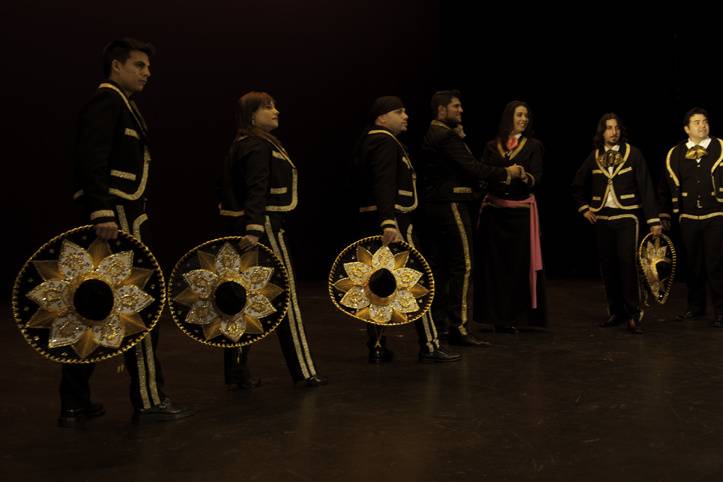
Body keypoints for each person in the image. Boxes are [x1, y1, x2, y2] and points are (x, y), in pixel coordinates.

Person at [65, 37, 192, 427]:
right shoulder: (108, 102)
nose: (147, 73)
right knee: (139, 306)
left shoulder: (125, 106)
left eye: (148, 67)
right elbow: (93, 156)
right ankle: (149, 400)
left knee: (96, 307)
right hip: (118, 214)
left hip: (122, 212)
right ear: (116, 66)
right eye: (139, 65)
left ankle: (73, 402)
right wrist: (102, 210)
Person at [219, 91, 327, 387]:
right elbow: (257, 188)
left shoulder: (246, 143)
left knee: (245, 300)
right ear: (252, 115)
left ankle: (236, 373)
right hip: (264, 227)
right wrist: (254, 228)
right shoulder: (255, 145)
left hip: (252, 226)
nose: (276, 111)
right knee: (285, 298)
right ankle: (303, 372)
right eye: (268, 107)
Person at [352, 95, 462, 363]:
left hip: (374, 221)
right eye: (399, 112)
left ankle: (376, 345)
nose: (406, 116)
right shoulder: (385, 141)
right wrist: (389, 221)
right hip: (395, 221)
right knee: (419, 281)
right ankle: (429, 344)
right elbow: (384, 182)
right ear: (382, 117)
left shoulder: (371, 140)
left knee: (377, 284)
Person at [417, 90, 522, 345]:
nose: (461, 110)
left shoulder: (436, 134)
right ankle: (458, 326)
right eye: (456, 106)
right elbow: (473, 168)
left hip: (435, 206)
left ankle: (441, 323)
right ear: (442, 110)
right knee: (463, 264)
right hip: (450, 203)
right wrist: (507, 172)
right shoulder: (445, 136)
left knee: (440, 267)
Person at [572, 113, 661, 333]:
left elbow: (646, 187)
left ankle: (633, 314)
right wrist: (584, 208)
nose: (614, 132)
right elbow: (576, 184)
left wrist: (653, 220)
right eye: (609, 128)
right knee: (608, 266)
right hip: (603, 218)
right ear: (602, 132)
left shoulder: (633, 154)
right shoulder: (594, 156)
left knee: (627, 264)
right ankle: (616, 312)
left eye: (617, 128)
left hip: (627, 217)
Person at [477, 101, 546, 332]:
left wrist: (526, 177)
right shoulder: (491, 146)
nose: (524, 119)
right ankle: (496, 316)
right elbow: (484, 173)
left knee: (517, 268)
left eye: (527, 115)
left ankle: (514, 317)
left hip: (519, 215)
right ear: (509, 117)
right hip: (495, 214)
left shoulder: (534, 146)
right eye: (519, 115)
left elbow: (538, 176)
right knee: (495, 268)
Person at [659, 107, 723, 327]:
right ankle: (695, 308)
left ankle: (721, 311)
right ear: (687, 128)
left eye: (705, 121)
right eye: (696, 122)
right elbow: (665, 187)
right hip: (687, 217)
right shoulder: (675, 153)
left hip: (716, 214)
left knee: (716, 264)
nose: (702, 125)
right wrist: (665, 212)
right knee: (693, 265)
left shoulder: (720, 147)